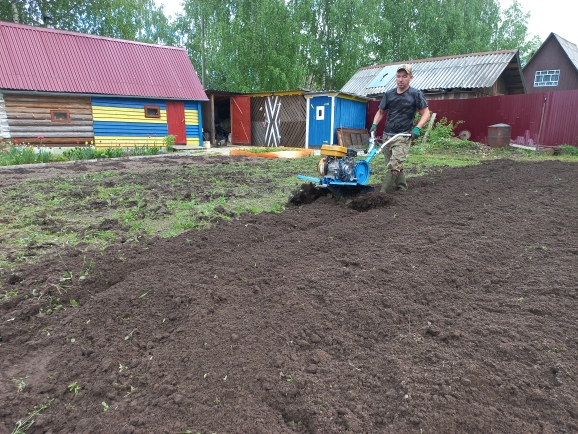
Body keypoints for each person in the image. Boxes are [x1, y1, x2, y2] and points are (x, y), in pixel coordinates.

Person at [370, 64, 430, 193]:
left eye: (404, 76)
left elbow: (426, 113)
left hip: (403, 136)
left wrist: (417, 128)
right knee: (394, 165)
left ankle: (382, 193)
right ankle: (402, 188)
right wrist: (374, 124)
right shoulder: (389, 94)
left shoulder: (415, 94)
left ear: (410, 77)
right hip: (387, 135)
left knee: (394, 166)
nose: (400, 79)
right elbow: (381, 112)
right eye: (398, 76)